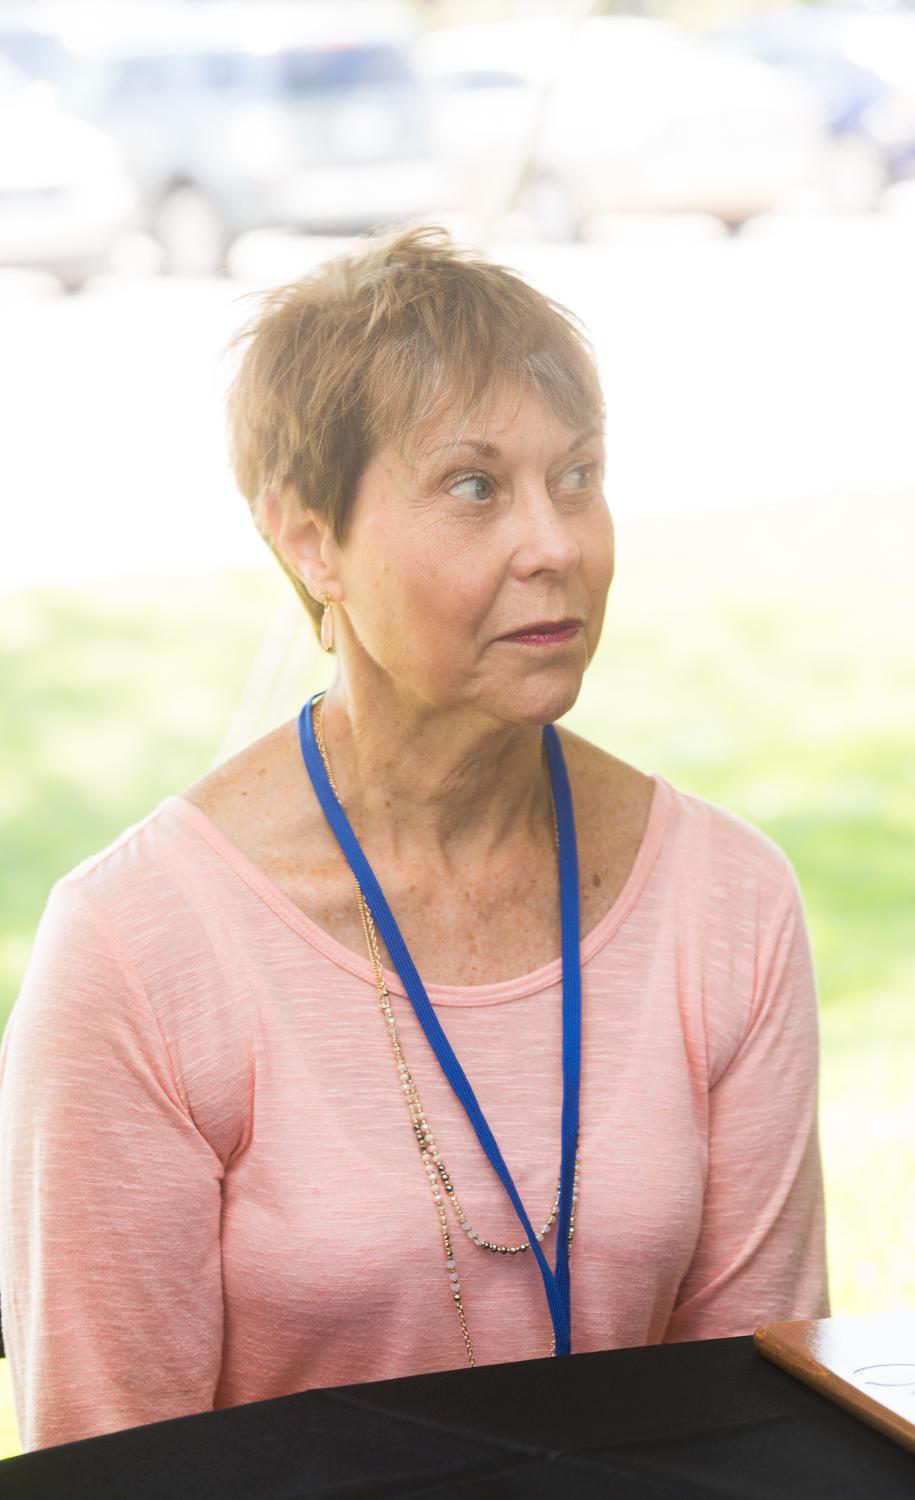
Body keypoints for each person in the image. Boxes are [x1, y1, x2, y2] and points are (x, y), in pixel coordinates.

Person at [0, 226, 828, 1453]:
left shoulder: (728, 902)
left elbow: (765, 1427)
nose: (556, 544)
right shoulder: (137, 949)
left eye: (578, 476)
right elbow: (111, 1465)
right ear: (309, 540)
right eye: (474, 487)